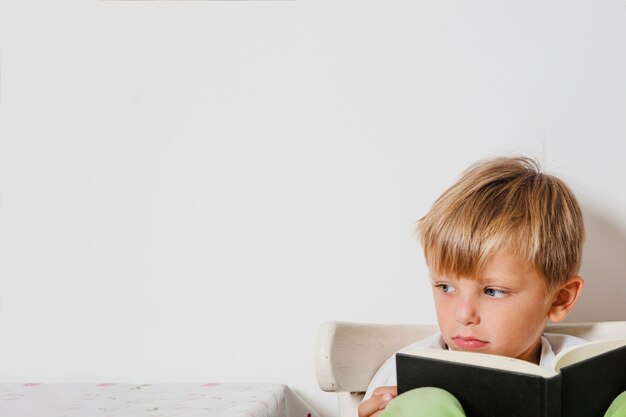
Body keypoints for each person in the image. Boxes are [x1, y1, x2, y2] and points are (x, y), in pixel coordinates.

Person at [357, 156, 626, 417]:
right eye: (446, 287)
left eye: (493, 291)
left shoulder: (583, 369)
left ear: (559, 299)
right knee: (422, 405)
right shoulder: (402, 374)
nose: (463, 315)